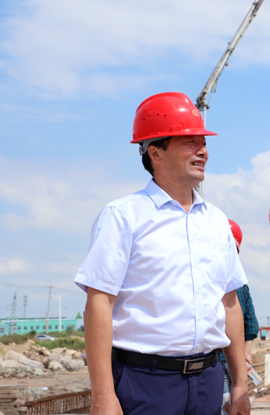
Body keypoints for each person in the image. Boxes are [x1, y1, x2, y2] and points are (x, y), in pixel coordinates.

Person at [75, 92, 252, 415]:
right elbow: (98, 303)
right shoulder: (123, 216)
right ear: (155, 152)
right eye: (190, 142)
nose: (203, 151)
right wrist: (103, 395)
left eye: (203, 143)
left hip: (209, 381)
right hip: (145, 383)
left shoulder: (216, 221)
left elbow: (230, 303)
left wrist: (240, 384)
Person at [220, 220, 260, 394]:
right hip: (237, 361)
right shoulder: (241, 286)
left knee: (221, 402)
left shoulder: (207, 283)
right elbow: (251, 325)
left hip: (214, 361)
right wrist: (245, 352)